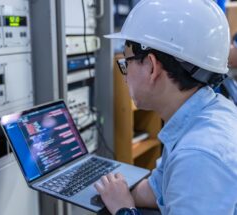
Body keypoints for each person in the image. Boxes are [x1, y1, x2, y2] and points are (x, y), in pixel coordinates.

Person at [94, 0, 237, 214]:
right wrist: (119, 192)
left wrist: (124, 209)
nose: (125, 77)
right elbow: (160, 188)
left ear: (151, 67)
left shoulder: (197, 156)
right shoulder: (203, 113)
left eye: (126, 62)